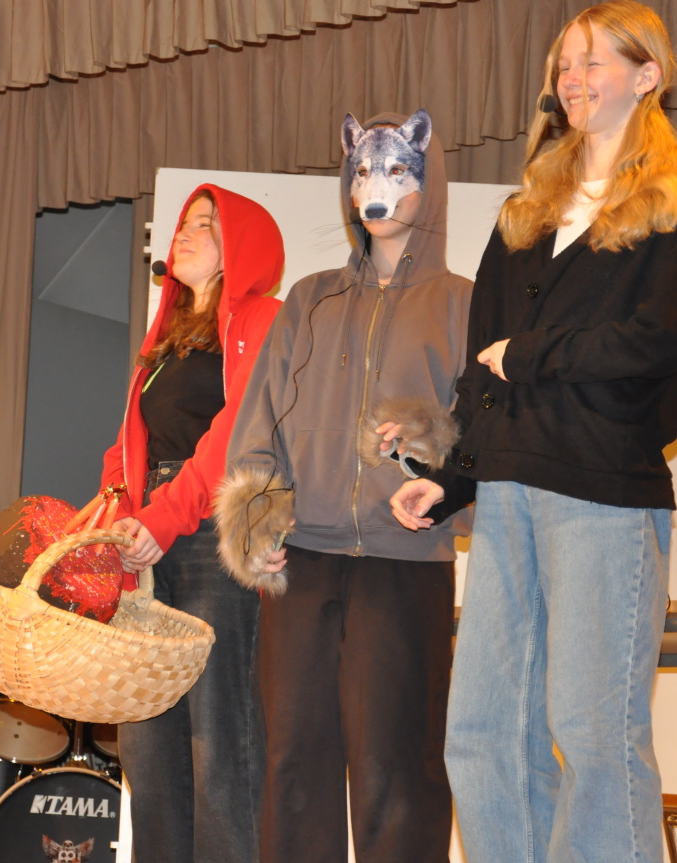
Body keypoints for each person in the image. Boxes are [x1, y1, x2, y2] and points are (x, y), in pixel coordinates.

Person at [388, 3, 677, 860]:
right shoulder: (523, 214)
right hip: (506, 496)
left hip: (602, 492)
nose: (573, 78)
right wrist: (452, 477)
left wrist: (533, 355)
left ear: (646, 76)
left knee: (593, 731)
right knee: (482, 730)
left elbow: (667, 338)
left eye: (594, 61)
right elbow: (479, 366)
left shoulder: (671, 202)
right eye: (564, 64)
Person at [221, 110, 472, 863]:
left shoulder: (463, 301)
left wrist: (432, 450)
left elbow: (486, 433)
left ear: (427, 180)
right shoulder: (311, 298)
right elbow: (262, 417)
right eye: (362, 171)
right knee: (294, 758)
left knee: (399, 763)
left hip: (406, 561)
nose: (376, 187)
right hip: (303, 559)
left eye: (395, 170)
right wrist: (258, 523)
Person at [99, 184, 284, 863]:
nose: (183, 231)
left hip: (211, 533)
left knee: (219, 737)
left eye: (204, 223)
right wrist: (120, 515)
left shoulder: (266, 318)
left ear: (241, 244)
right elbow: (128, 442)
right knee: (147, 740)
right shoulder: (168, 338)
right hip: (152, 528)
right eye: (183, 221)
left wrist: (166, 514)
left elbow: (237, 430)